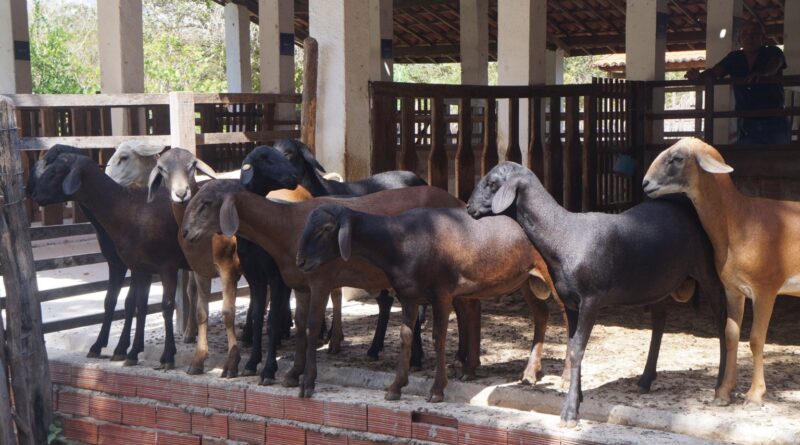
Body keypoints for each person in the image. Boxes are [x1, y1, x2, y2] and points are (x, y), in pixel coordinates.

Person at [685, 21, 790, 144]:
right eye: (745, 34)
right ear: (739, 40)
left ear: (763, 38)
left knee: (779, 156)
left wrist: (763, 74)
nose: (749, 37)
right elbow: (715, 72)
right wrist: (699, 76)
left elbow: (776, 64)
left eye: (754, 34)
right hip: (747, 120)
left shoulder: (773, 51)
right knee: (748, 157)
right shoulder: (734, 58)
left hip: (775, 117)